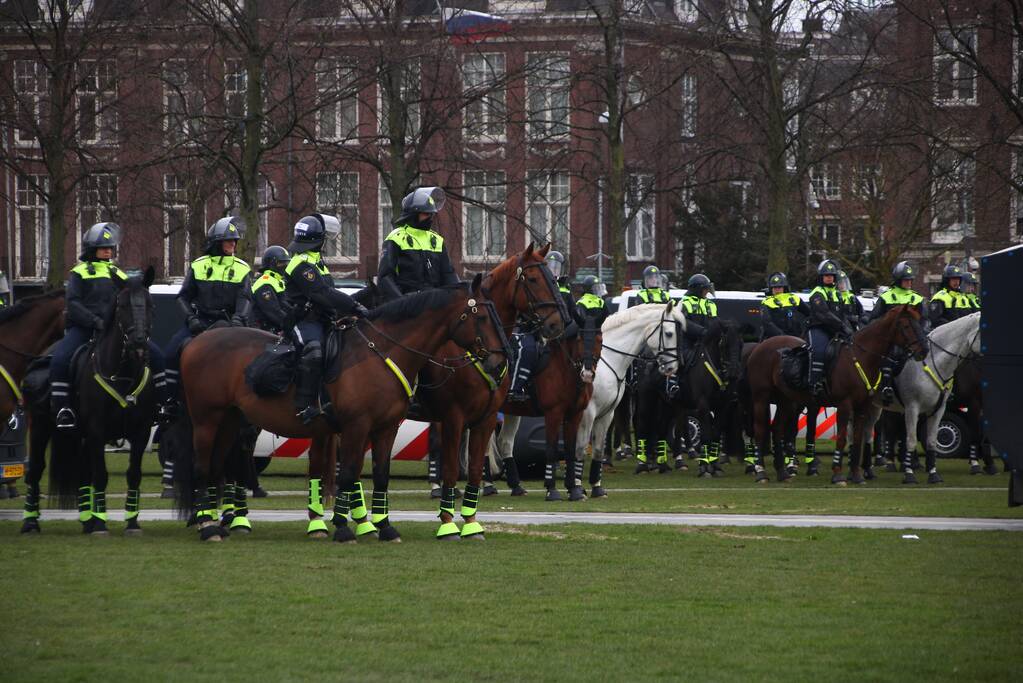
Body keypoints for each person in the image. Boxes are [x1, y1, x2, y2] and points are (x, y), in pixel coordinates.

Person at [50, 223, 171, 429]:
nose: (108, 250)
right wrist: (94, 321)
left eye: (110, 247)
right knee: (60, 359)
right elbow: (74, 304)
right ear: (91, 249)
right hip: (83, 329)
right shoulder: (78, 273)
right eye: (103, 247)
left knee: (158, 356)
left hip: (113, 332)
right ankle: (64, 410)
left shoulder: (119, 274)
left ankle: (162, 404)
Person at [285, 214, 367, 423]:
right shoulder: (299, 263)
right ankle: (304, 407)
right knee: (314, 351)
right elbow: (321, 293)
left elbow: (329, 294)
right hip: (302, 321)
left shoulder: (316, 261)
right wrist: (354, 305)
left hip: (323, 320)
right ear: (317, 240)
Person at [164, 217, 253, 398]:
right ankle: (171, 401)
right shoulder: (198, 265)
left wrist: (238, 319)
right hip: (200, 322)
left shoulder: (242, 268)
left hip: (229, 323)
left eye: (234, 241)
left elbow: (246, 299)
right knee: (171, 352)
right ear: (217, 243)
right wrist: (191, 319)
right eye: (229, 241)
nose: (233, 244)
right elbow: (183, 297)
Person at [377, 186, 458, 301]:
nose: (430, 218)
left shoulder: (437, 240)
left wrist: (459, 296)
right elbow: (385, 277)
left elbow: (449, 275)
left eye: (431, 214)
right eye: (426, 214)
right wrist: (401, 303)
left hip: (434, 304)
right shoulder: (396, 237)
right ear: (413, 214)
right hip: (408, 305)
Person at [870, 261, 926, 402]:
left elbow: (925, 319)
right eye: (906, 280)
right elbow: (875, 318)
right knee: (890, 354)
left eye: (910, 280)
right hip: (893, 340)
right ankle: (886, 387)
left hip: (913, 339)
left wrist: (923, 332)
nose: (909, 282)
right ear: (898, 280)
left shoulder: (916, 298)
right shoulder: (886, 297)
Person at [806, 259, 852, 400]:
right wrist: (842, 326)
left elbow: (842, 314)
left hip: (835, 329)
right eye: (826, 275)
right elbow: (824, 314)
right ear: (821, 277)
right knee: (819, 350)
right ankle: (814, 383)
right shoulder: (817, 293)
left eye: (831, 276)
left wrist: (849, 329)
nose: (829, 278)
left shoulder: (837, 293)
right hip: (819, 328)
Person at [251, 245, 292, 334]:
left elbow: (286, 307)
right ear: (270, 264)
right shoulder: (264, 283)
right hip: (264, 331)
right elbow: (273, 312)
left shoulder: (278, 281)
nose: (284, 266)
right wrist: (292, 325)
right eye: (281, 263)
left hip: (278, 328)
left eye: (286, 263)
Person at [576, 275, 610, 380]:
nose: (598, 291)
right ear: (588, 289)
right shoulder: (581, 302)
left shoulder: (600, 301)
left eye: (598, 288)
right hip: (589, 334)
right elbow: (583, 321)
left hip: (603, 332)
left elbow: (608, 317)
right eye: (595, 288)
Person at [759, 271, 809, 339]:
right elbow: (767, 323)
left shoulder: (794, 298)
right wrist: (782, 336)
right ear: (771, 289)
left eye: (779, 287)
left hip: (796, 337)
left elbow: (810, 313)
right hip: (775, 339)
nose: (777, 290)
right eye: (774, 287)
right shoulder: (767, 302)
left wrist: (806, 327)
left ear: (784, 287)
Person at [929, 263, 971, 328]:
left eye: (958, 279)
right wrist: (954, 327)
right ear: (947, 280)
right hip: (946, 334)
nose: (956, 282)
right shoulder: (940, 297)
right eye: (953, 279)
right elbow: (935, 320)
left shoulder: (964, 297)